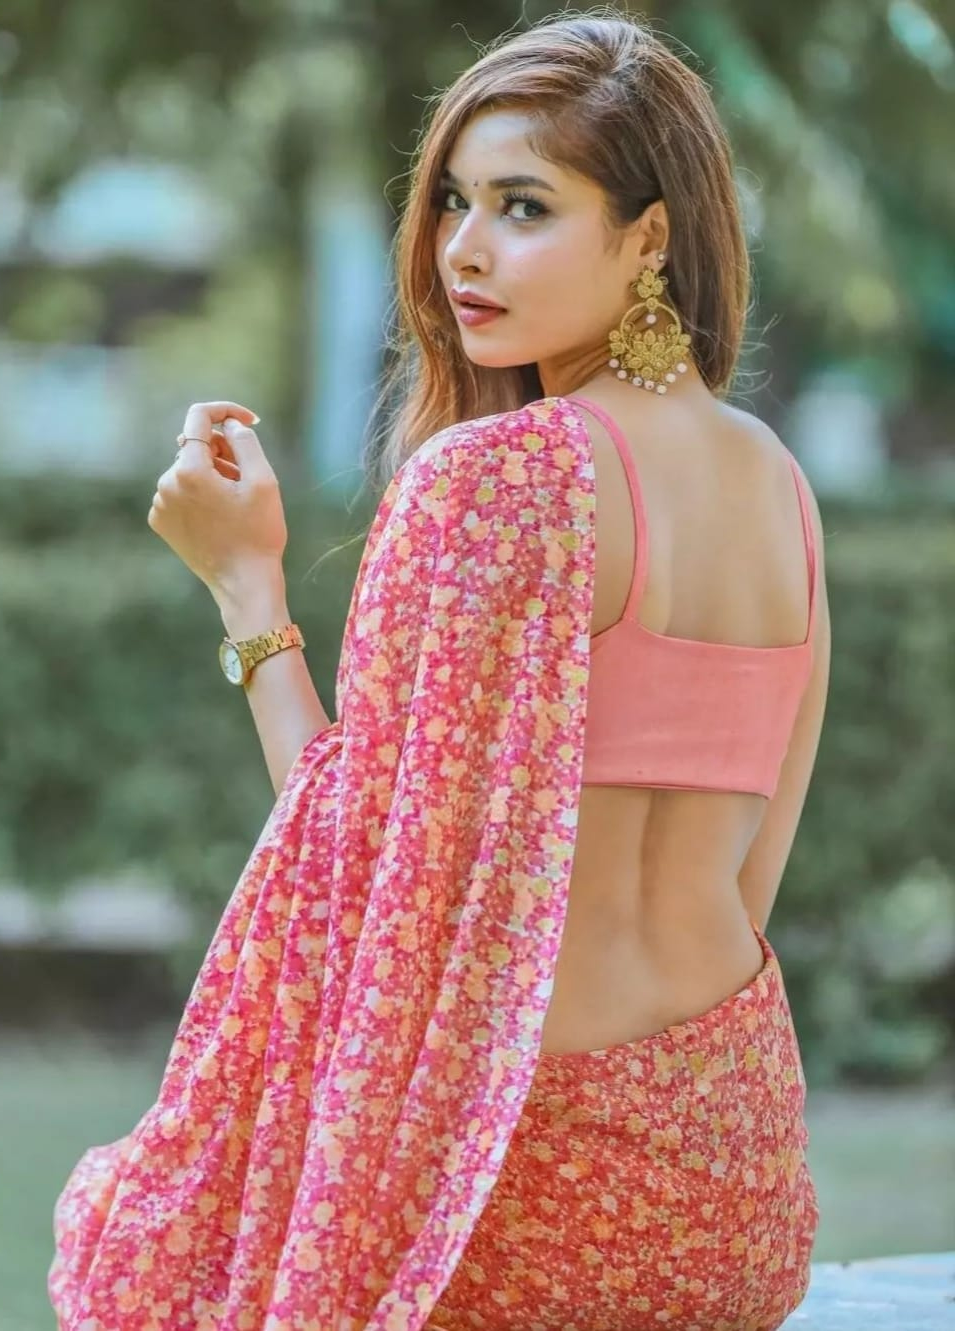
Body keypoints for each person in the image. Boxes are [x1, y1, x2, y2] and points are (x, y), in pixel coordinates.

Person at [49, 10, 828, 1331]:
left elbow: (366, 879)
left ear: (648, 237)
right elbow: (756, 879)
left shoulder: (496, 477)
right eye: (456, 201)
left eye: (524, 207)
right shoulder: (782, 488)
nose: (463, 248)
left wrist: (247, 590)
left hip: (523, 1193)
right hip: (736, 1185)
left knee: (142, 1241)